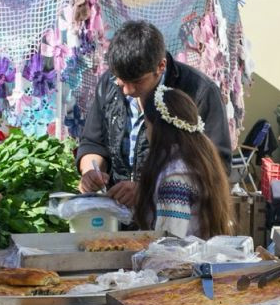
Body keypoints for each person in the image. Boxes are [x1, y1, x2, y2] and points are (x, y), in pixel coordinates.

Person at [76, 20, 233, 210]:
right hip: (116, 214)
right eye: (121, 81)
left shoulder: (199, 91)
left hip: (174, 219)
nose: (127, 90)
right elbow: (93, 142)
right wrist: (91, 171)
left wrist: (149, 192)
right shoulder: (107, 83)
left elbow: (217, 167)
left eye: (137, 81)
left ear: (161, 66)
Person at [133, 84, 233, 239]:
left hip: (183, 261)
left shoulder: (174, 177)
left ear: (158, 128)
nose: (146, 133)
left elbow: (170, 244)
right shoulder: (198, 160)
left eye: (146, 126)